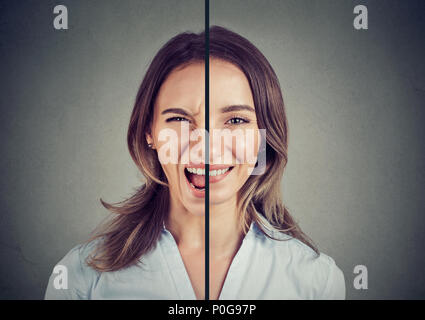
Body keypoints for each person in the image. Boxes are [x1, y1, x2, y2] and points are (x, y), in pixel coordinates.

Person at [45, 26, 345, 300]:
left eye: (236, 120)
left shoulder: (316, 282)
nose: (207, 149)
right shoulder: (81, 278)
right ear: (149, 132)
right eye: (179, 119)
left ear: (262, 137)